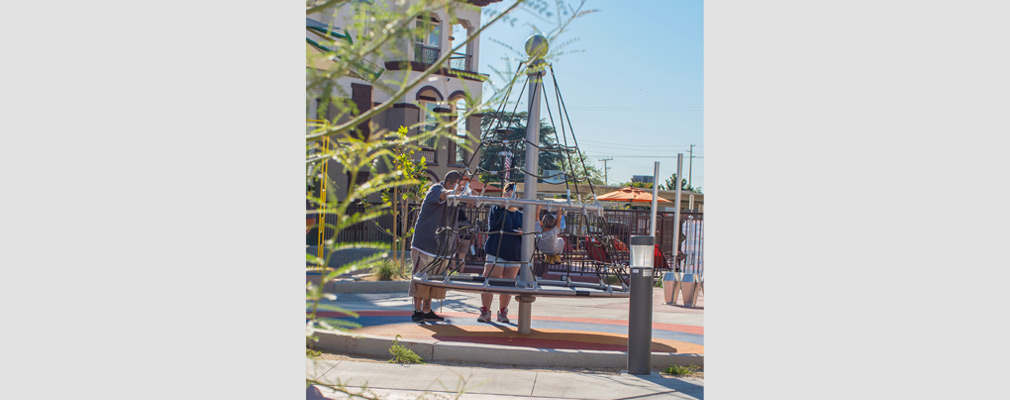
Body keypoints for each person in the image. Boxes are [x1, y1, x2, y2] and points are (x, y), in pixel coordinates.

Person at [408, 170, 464, 323]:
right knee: (421, 278)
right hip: (425, 244)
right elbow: (444, 195)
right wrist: (457, 192)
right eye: (459, 186)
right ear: (448, 184)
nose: (460, 190)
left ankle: (427, 310)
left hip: (441, 247)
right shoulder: (436, 189)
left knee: (435, 281)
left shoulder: (455, 197)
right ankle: (417, 311)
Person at [478, 182, 523, 323]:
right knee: (489, 281)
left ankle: (503, 312)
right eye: (507, 195)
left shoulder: (520, 215)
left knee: (508, 285)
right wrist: (504, 202)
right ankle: (485, 310)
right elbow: (495, 220)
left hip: (513, 253)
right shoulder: (497, 208)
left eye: (513, 195)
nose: (509, 198)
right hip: (496, 250)